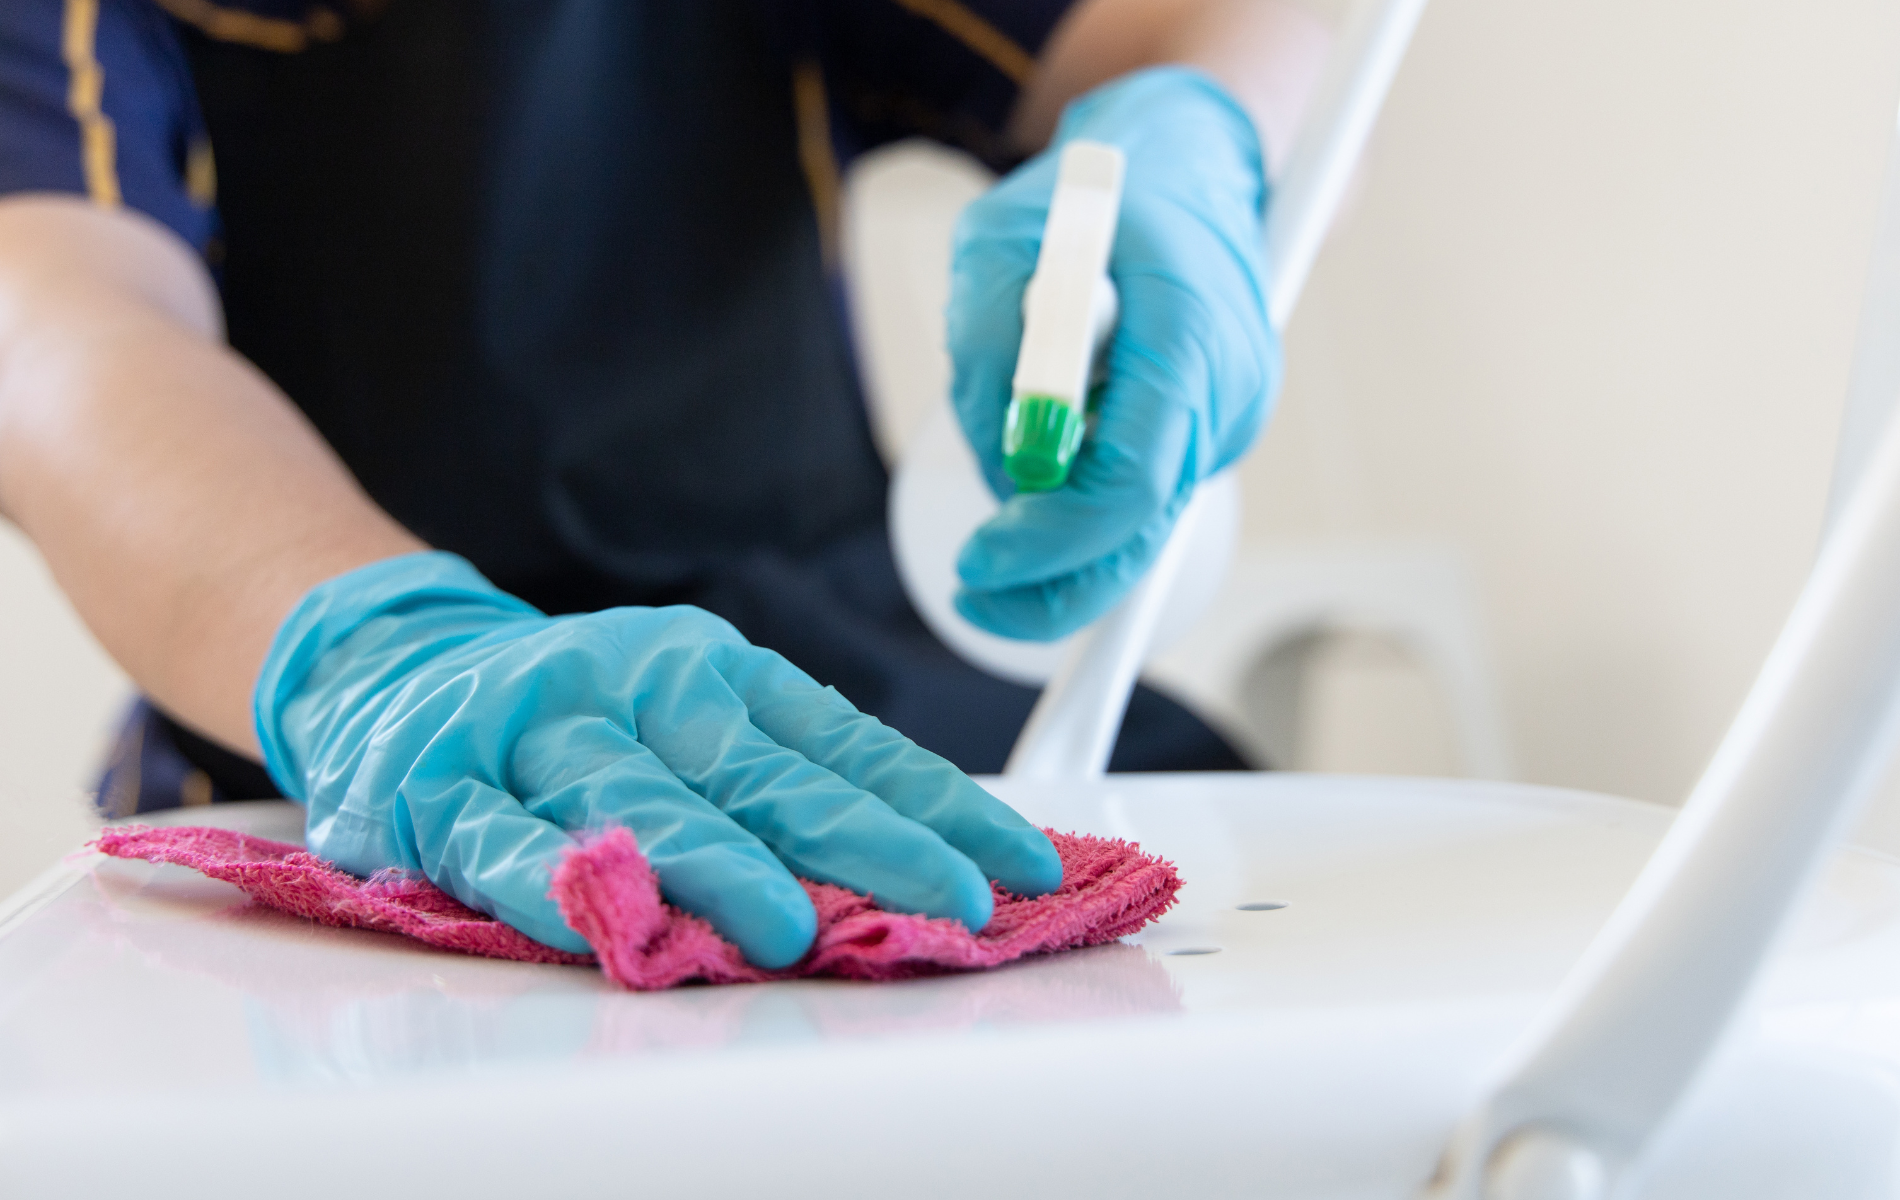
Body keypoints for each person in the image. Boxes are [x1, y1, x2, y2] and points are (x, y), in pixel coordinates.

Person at [0, 0, 1326, 967]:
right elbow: (58, 337)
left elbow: (1186, 25)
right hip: (352, 769)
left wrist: (1187, 138)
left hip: (864, 707)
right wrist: (372, 654)